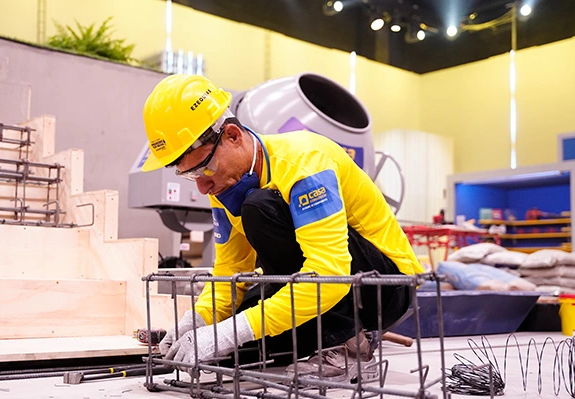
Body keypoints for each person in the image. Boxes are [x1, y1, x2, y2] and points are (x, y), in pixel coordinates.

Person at [141, 74, 424, 381]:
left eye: (205, 168)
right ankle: (331, 339)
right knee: (235, 344)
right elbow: (230, 271)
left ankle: (350, 346)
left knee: (259, 208)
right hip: (326, 283)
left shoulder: (304, 162)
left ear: (233, 136)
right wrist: (198, 320)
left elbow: (330, 272)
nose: (202, 186)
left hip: (383, 286)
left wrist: (232, 331)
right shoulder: (223, 186)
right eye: (190, 175)